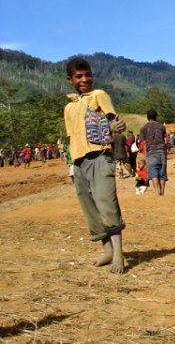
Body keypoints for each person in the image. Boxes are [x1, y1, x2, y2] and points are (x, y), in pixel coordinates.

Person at [63, 57, 127, 274]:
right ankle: (107, 250)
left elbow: (114, 120)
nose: (84, 79)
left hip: (100, 156)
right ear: (70, 80)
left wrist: (116, 125)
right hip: (79, 161)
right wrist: (72, 166)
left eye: (87, 74)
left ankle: (118, 254)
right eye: (79, 76)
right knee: (90, 208)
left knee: (107, 204)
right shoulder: (68, 108)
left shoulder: (99, 95)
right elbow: (71, 138)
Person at [140, 109, 168, 195]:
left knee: (153, 173)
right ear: (156, 116)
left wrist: (145, 156)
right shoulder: (162, 127)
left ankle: (157, 191)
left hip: (151, 151)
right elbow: (166, 140)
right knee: (162, 173)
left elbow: (143, 143)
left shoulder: (144, 128)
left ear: (147, 117)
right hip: (161, 151)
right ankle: (162, 192)